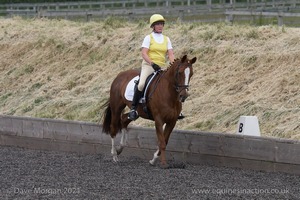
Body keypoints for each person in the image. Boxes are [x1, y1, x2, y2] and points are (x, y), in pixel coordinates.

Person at [128, 14, 185, 121]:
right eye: (157, 24)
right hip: (149, 65)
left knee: (175, 83)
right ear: (153, 26)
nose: (160, 26)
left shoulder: (166, 39)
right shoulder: (148, 38)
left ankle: (177, 109)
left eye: (161, 24)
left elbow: (171, 54)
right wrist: (152, 63)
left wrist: (174, 64)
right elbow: (144, 53)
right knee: (141, 84)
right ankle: (133, 109)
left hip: (162, 67)